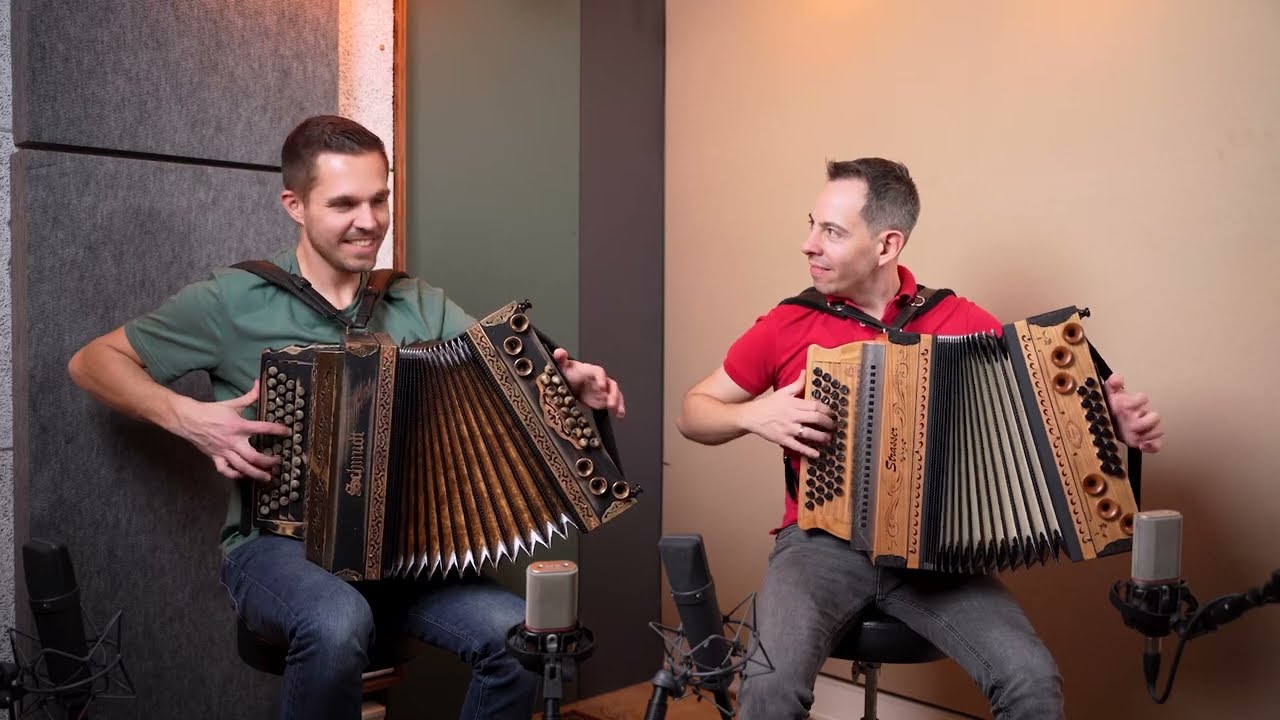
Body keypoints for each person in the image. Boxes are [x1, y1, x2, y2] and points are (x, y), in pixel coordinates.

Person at [67, 115, 625, 720]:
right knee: (337, 622)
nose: (370, 221)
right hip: (278, 548)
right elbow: (94, 361)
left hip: (406, 556)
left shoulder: (416, 302)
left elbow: (500, 385)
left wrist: (564, 382)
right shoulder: (231, 300)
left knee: (527, 640)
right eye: (345, 204)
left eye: (379, 198)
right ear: (295, 205)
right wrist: (190, 418)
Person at [676, 158, 1163, 719]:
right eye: (812, 224)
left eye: (831, 232)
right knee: (769, 686)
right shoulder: (789, 324)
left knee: (1032, 681)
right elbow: (693, 413)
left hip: (939, 557)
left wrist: (1108, 428)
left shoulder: (961, 320)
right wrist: (755, 415)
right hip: (820, 548)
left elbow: (1038, 423)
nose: (808, 244)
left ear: (887, 245)